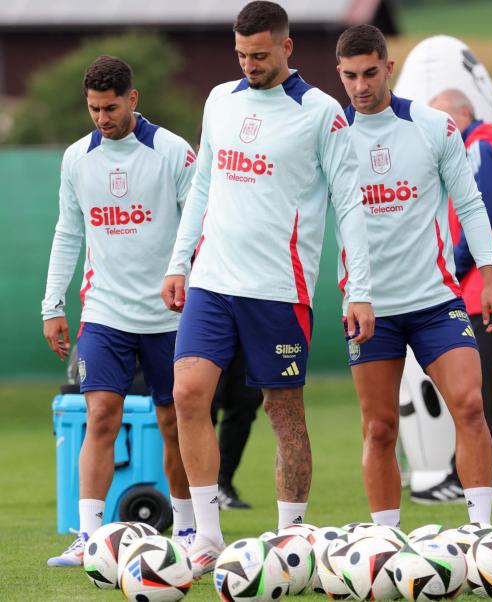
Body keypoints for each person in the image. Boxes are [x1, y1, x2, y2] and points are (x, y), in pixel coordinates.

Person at [161, 1, 373, 577]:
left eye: (259, 54)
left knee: (284, 412)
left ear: (286, 47)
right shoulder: (219, 101)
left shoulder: (322, 113)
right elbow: (202, 183)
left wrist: (359, 288)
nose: (249, 64)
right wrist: (180, 262)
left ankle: (290, 538)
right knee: (187, 394)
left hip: (279, 289)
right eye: (241, 54)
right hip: (211, 281)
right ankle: (206, 536)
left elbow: (351, 203)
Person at [334, 24, 492, 529]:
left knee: (471, 407)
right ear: (339, 75)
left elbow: (471, 205)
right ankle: (386, 542)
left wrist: (490, 278)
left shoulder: (435, 126)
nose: (361, 86)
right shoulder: (330, 136)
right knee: (381, 428)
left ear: (389, 68)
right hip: (369, 308)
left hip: (436, 301)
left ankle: (481, 533)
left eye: (370, 73)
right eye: (350, 76)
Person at [42, 55, 196, 566]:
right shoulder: (76, 158)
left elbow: (200, 229)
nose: (101, 118)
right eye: (93, 109)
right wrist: (52, 304)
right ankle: (89, 536)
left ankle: (191, 531)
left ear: (133, 99)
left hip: (170, 316)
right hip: (104, 313)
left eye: (110, 108)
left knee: (174, 422)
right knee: (100, 416)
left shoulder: (174, 152)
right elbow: (68, 231)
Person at [411, 89, 492, 503]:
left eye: (445, 118)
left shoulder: (479, 149)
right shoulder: (487, 146)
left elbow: (482, 209)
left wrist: (454, 266)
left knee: (470, 390)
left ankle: (459, 476)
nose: (439, 128)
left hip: (487, 289)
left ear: (464, 115)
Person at [210, 347, 263, 510]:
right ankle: (196, 489)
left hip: (248, 332)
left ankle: (222, 484)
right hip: (209, 330)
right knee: (202, 408)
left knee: (245, 403)